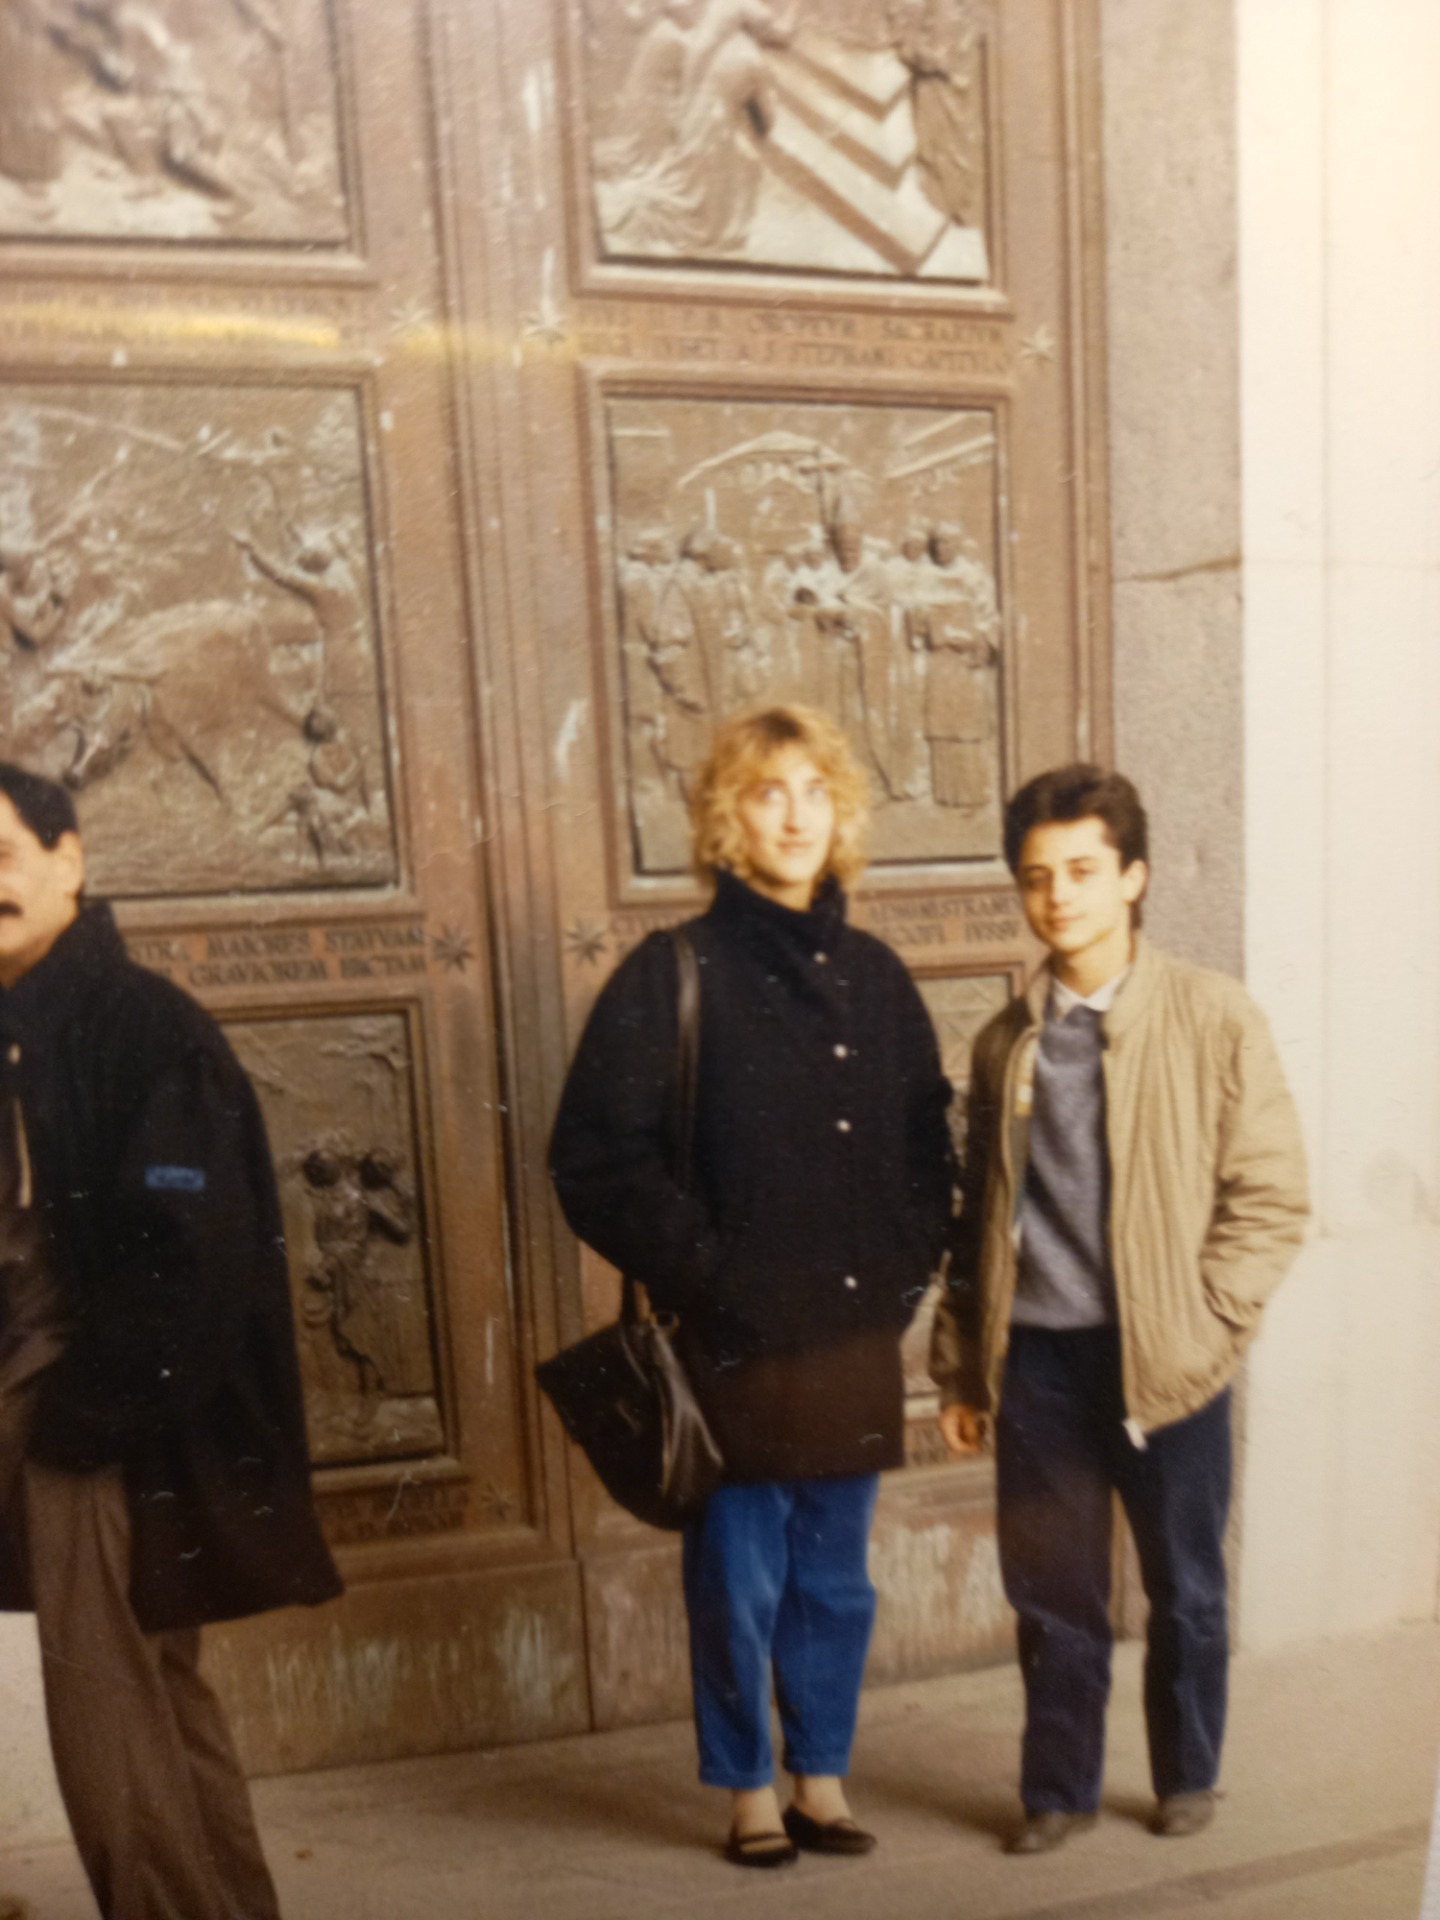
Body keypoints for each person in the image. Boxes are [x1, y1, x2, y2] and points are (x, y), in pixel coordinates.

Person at [550, 704, 954, 1868]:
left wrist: (900, 1277)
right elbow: (595, 1161)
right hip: (730, 1342)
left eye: (815, 792)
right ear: (730, 818)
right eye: (769, 792)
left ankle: (820, 1778)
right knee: (738, 1579)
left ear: (841, 814)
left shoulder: (876, 978)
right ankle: (746, 1792)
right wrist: (714, 1275)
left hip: (849, 1339)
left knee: (834, 1580)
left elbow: (929, 1150)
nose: (795, 816)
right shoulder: (672, 973)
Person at [930, 764, 1308, 1854]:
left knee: (1185, 1586)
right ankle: (1059, 1792)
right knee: (1053, 1593)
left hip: (1168, 1359)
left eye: (1084, 870)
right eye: (1037, 876)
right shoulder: (1006, 1042)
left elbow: (1272, 1194)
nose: (1059, 896)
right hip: (1040, 1365)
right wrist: (963, 1366)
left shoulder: (1213, 1015)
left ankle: (1189, 1774)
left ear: (1133, 877)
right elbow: (977, 1218)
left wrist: (1210, 1322)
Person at [0, 761, 341, 1918]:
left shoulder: (145, 1030)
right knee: (153, 1695)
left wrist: (80, 1422)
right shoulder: (21, 1022)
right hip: (73, 1404)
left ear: (71, 860)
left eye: (1, 857)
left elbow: (190, 1254)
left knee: (109, 1709)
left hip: (95, 1422)